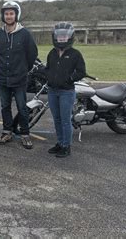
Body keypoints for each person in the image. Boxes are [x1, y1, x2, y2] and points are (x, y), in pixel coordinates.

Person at [0, 1, 38, 149]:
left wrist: (24, 69)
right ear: (3, 15)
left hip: (19, 78)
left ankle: (25, 134)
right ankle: (7, 131)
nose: (9, 16)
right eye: (6, 14)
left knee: (21, 107)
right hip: (2, 77)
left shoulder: (25, 34)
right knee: (5, 106)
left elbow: (32, 54)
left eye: (11, 13)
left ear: (16, 15)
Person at [45, 22, 86, 158]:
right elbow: (48, 69)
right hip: (52, 91)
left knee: (65, 120)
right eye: (59, 36)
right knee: (56, 119)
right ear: (55, 37)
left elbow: (81, 72)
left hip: (66, 92)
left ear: (70, 37)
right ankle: (60, 142)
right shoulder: (52, 53)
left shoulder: (75, 54)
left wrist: (69, 79)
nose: (61, 39)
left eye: (64, 36)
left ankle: (66, 146)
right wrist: (45, 75)